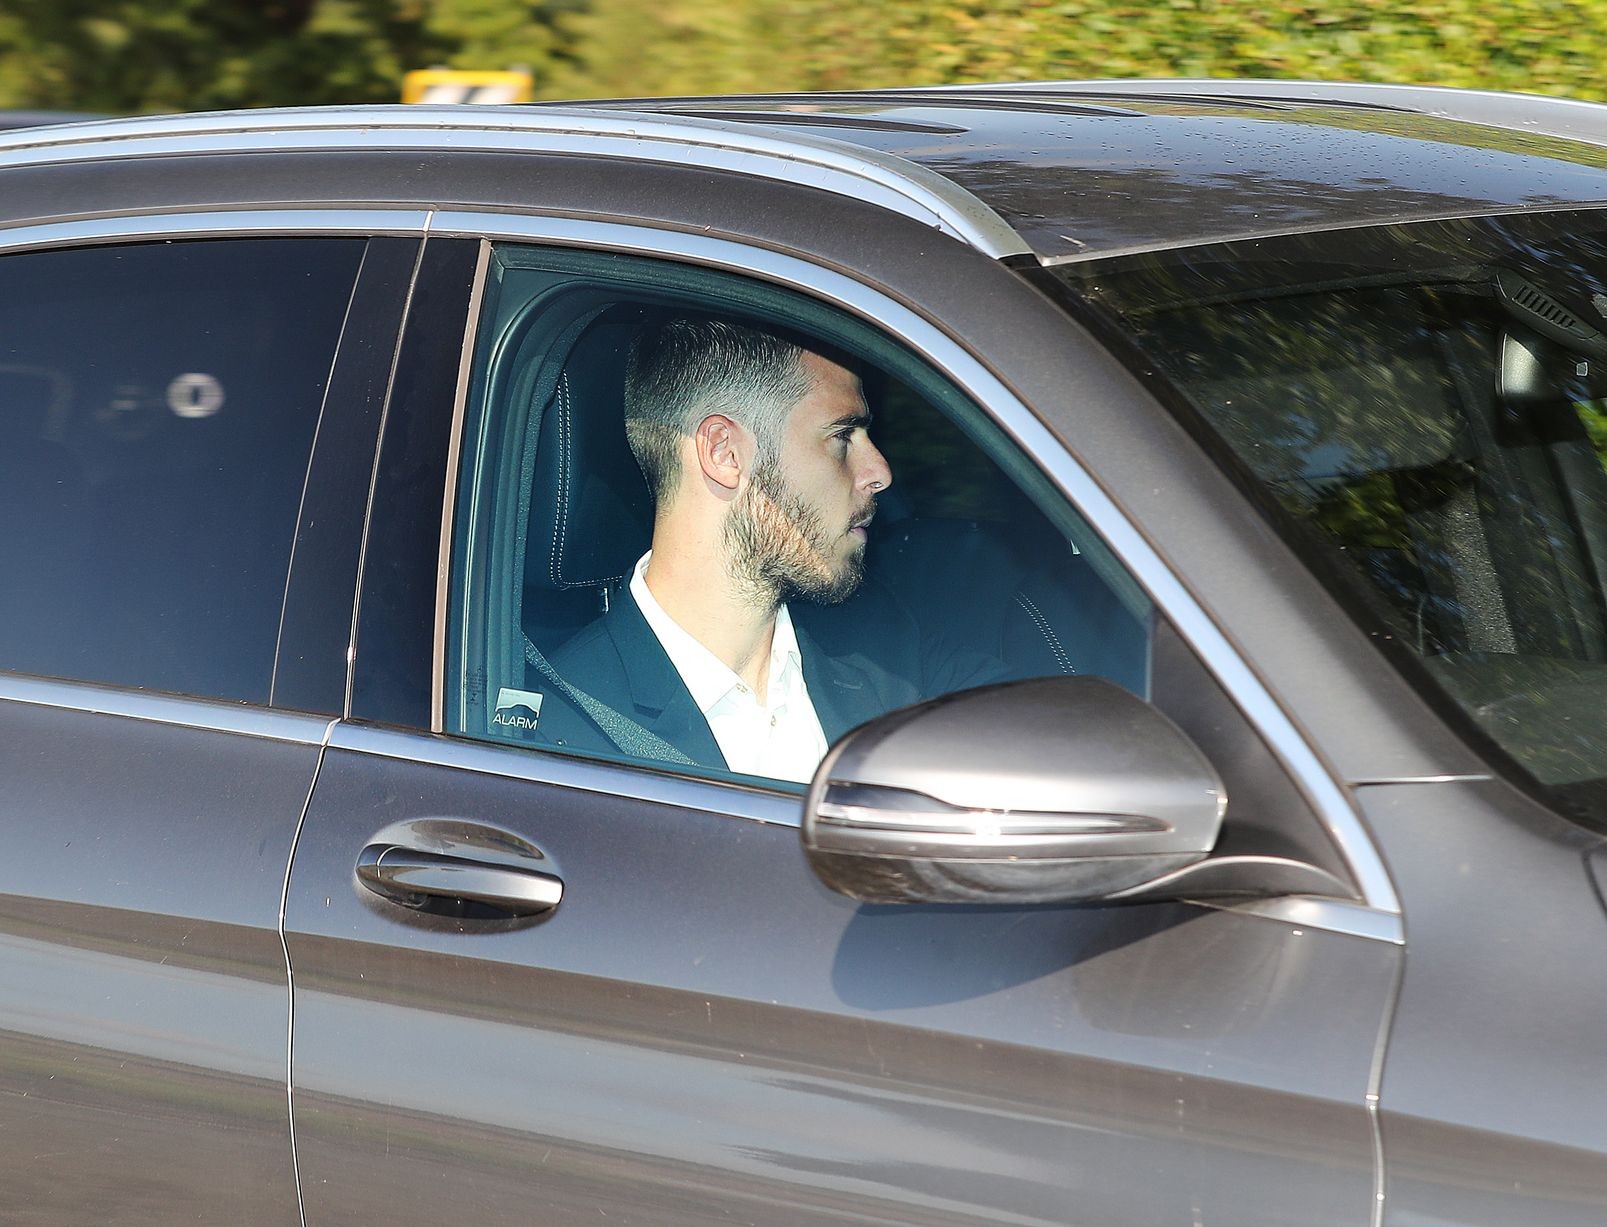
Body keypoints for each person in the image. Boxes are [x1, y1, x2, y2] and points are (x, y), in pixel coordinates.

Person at [543, 312, 992, 782]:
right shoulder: (564, 735)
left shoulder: (881, 640)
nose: (879, 471)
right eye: (842, 436)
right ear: (725, 454)